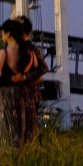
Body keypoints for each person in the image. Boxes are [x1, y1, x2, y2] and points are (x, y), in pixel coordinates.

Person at [0, 19, 36, 148]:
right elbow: (33, 72)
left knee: (5, 131)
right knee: (21, 130)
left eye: (2, 33)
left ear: (8, 34)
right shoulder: (29, 54)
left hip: (5, 94)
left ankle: (5, 159)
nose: (1, 35)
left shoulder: (3, 53)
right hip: (23, 95)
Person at [13, 15, 49, 143]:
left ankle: (32, 150)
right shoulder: (24, 48)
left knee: (25, 128)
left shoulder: (29, 48)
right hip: (28, 94)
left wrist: (24, 78)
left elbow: (43, 68)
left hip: (28, 94)